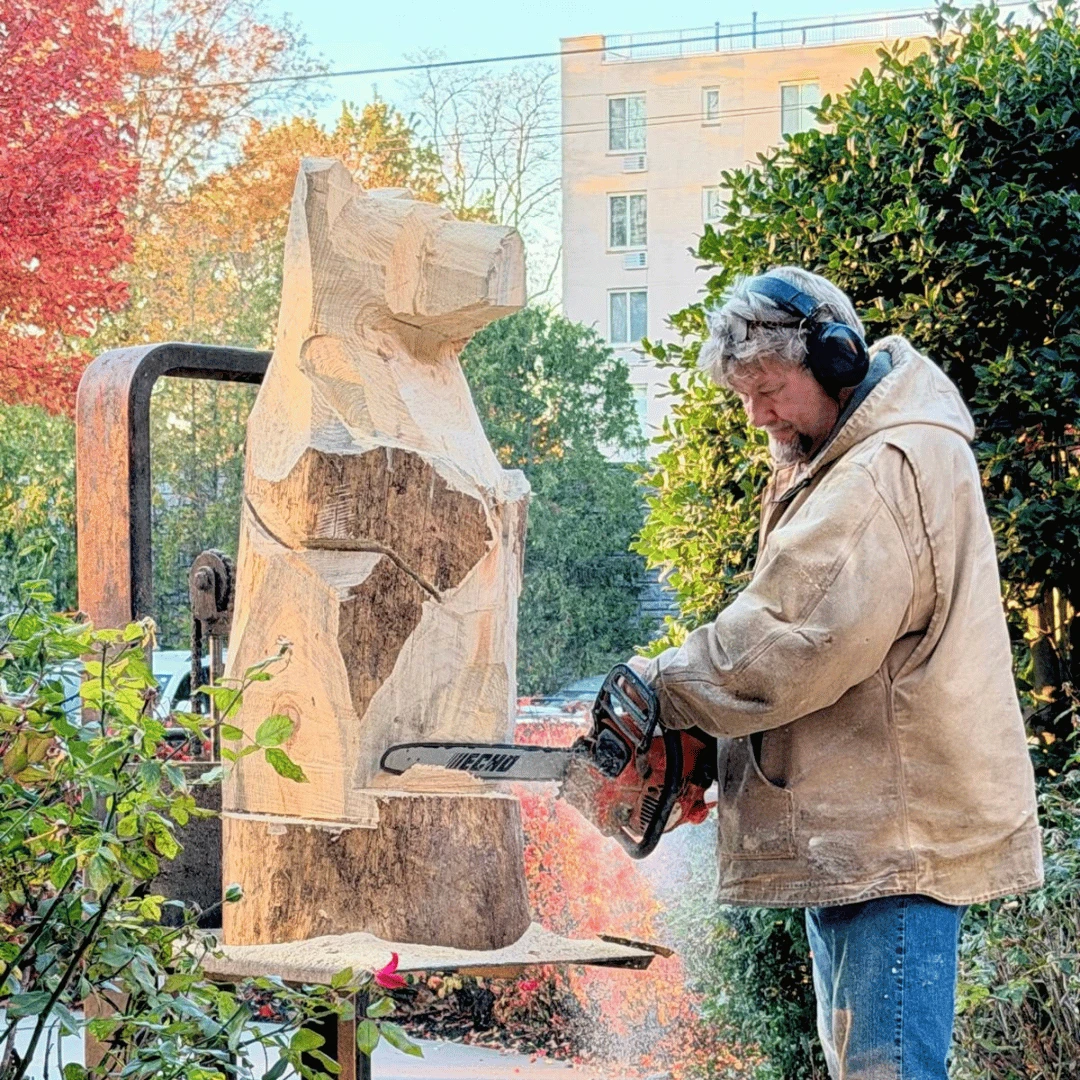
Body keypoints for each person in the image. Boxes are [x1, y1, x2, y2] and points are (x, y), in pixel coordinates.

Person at [628, 267, 1042, 1080]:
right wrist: (706, 753)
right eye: (745, 397)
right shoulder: (842, 455)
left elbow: (795, 641)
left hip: (892, 838)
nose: (759, 415)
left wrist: (660, 689)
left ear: (836, 359)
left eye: (772, 389)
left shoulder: (882, 467)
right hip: (862, 829)